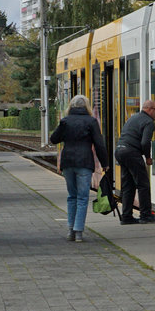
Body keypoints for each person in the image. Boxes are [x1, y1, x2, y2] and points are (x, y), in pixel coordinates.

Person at [49, 94, 108, 242]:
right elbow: (99, 144)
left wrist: (63, 129)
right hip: (84, 163)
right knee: (82, 198)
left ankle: (70, 230)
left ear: (71, 106)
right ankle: (79, 232)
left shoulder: (65, 121)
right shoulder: (91, 121)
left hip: (68, 162)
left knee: (72, 196)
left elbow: (54, 139)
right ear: (86, 106)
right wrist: (105, 163)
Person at [116, 99, 155, 225]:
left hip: (119, 151)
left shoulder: (133, 118)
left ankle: (126, 216)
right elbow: (145, 142)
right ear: (149, 109)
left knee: (128, 185)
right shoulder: (149, 122)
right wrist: (148, 157)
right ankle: (145, 215)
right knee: (143, 184)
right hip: (131, 153)